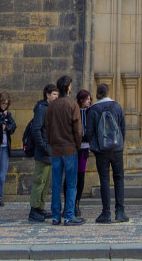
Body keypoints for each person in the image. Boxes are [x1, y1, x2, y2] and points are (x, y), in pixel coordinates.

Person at [45, 73, 84, 226]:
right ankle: (69, 215)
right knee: (71, 184)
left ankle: (56, 216)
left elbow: (47, 127)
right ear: (68, 88)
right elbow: (78, 129)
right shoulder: (72, 104)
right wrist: (78, 145)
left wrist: (52, 142)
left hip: (56, 149)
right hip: (69, 149)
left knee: (56, 184)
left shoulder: (52, 106)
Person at [88, 81, 128, 224]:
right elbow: (123, 128)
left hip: (101, 151)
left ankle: (106, 213)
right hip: (116, 149)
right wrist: (120, 144)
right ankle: (120, 211)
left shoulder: (93, 109)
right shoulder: (116, 106)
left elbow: (89, 132)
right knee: (119, 178)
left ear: (97, 94)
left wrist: (95, 148)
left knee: (104, 180)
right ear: (108, 93)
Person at [27, 83, 57, 222]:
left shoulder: (50, 108)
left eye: (57, 94)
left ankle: (40, 207)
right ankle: (34, 209)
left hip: (49, 151)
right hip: (43, 151)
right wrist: (44, 147)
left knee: (45, 182)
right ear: (47, 95)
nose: (56, 97)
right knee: (39, 181)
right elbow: (36, 130)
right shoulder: (41, 108)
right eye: (54, 94)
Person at [76, 88, 92, 201]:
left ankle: (77, 201)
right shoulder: (75, 110)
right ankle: (69, 203)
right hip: (74, 148)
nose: (89, 101)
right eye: (87, 99)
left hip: (85, 147)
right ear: (81, 100)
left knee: (81, 175)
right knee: (71, 176)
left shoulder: (91, 112)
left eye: (90, 99)